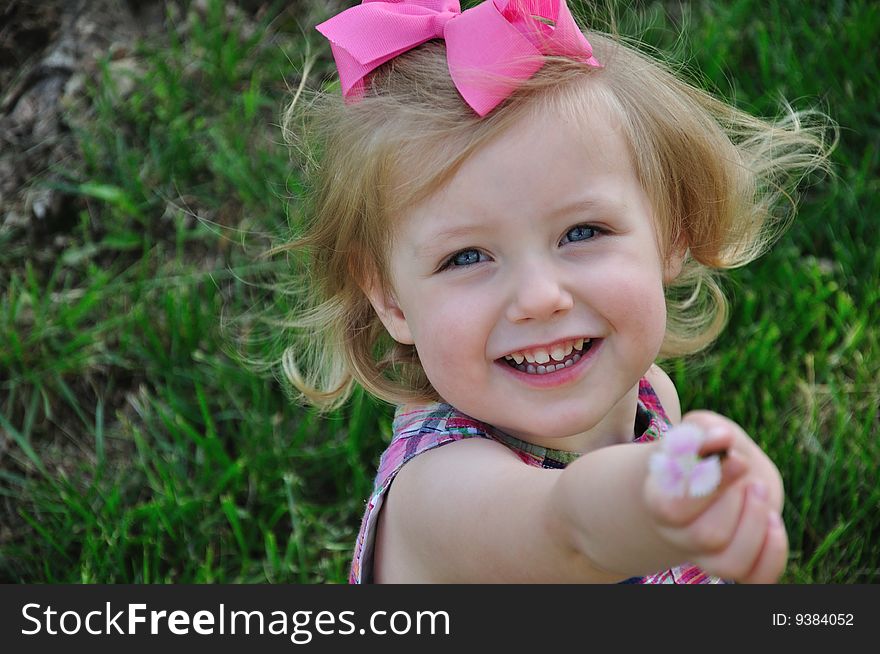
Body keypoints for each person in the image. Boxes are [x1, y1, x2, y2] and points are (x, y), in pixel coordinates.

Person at [276, 0, 830, 583]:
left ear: (670, 235)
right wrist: (664, 496)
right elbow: (568, 533)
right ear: (390, 300)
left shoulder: (649, 397)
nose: (540, 297)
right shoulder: (438, 495)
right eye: (467, 257)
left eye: (582, 232)